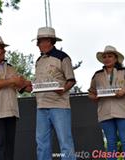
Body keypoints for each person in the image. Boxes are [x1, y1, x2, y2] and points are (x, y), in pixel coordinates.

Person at [88, 45, 125, 160]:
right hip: (105, 112)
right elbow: (91, 93)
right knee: (110, 142)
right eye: (104, 56)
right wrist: (94, 97)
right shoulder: (97, 75)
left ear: (116, 58)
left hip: (123, 111)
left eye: (110, 56)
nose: (107, 58)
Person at [33, 27, 76, 160]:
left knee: (65, 142)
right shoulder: (39, 61)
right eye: (38, 42)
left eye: (40, 41)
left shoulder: (63, 57)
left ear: (49, 41)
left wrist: (63, 89)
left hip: (59, 105)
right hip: (41, 106)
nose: (38, 45)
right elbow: (38, 83)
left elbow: (71, 80)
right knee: (41, 143)